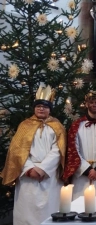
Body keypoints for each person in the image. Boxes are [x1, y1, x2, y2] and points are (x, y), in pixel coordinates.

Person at [1, 85, 66, 225]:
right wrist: (29, 169)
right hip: (27, 175)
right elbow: (17, 149)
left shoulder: (57, 126)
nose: (41, 108)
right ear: (34, 108)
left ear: (50, 109)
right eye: (38, 106)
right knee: (27, 212)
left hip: (49, 175)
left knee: (50, 211)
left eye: (45, 106)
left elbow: (58, 150)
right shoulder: (25, 125)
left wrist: (42, 169)